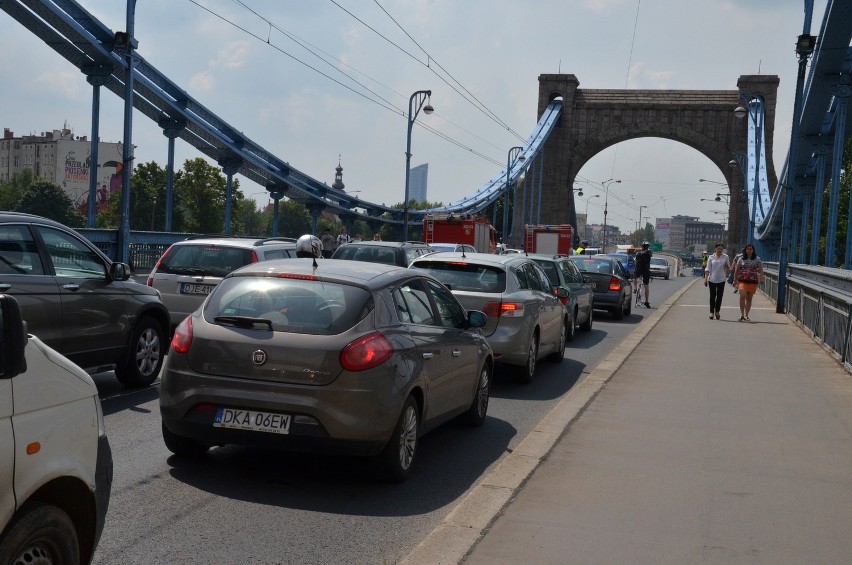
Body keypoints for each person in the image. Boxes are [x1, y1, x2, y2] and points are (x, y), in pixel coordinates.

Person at [732, 243, 764, 321]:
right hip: (742, 280)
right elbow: (737, 270)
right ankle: (742, 314)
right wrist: (735, 280)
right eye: (747, 249)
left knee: (749, 299)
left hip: (753, 281)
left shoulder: (757, 259)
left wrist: (761, 278)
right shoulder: (741, 259)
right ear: (745, 250)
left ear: (753, 251)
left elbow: (761, 269)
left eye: (750, 249)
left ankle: (746, 315)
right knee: (742, 295)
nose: (749, 251)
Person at [703, 242, 731, 320]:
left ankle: (717, 311)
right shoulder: (711, 257)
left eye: (721, 249)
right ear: (715, 249)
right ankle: (711, 312)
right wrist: (705, 279)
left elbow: (729, 268)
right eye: (718, 249)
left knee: (719, 296)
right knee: (712, 296)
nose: (720, 250)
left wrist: (727, 267)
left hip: (721, 279)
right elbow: (707, 269)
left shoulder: (726, 257)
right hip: (712, 279)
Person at [634, 241, 652, 308]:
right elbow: (647, 251)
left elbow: (636, 263)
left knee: (635, 276)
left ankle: (635, 288)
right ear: (648, 247)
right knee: (646, 285)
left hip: (639, 270)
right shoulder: (649, 253)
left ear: (642, 246)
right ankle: (646, 301)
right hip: (646, 270)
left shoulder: (638, 254)